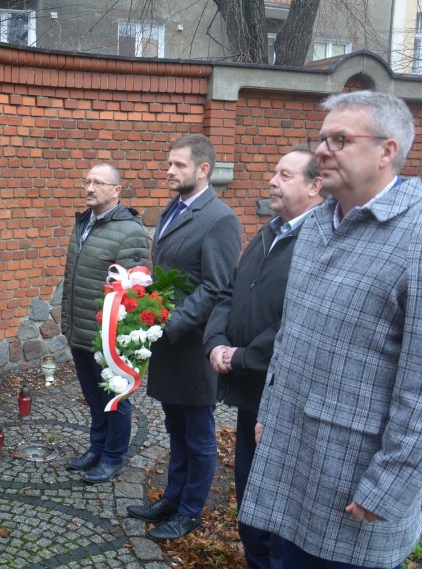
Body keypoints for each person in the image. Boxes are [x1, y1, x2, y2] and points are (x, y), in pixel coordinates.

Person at [240, 91, 422, 568]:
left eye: (340, 139)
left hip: (353, 486)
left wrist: (390, 485)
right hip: (290, 458)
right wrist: (270, 410)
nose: (322, 150)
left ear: (387, 151)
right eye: (322, 138)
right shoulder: (318, 224)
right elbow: (292, 333)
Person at [203, 147, 324, 568]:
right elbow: (231, 292)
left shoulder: (319, 242)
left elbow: (298, 319)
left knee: (275, 504)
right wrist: (216, 342)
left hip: (282, 394)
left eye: (284, 175)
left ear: (315, 187)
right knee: (249, 493)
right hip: (248, 392)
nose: (272, 181)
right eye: (274, 173)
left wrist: (241, 357)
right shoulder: (269, 231)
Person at [127, 134, 241, 540]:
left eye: (178, 165)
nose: (169, 171)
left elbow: (216, 287)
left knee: (198, 434)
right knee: (174, 427)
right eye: (169, 164)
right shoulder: (173, 208)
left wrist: (167, 326)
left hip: (193, 345)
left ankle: (191, 509)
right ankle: (171, 498)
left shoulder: (221, 219)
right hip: (168, 343)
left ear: (203, 169)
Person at [60, 163, 149, 484]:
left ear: (116, 190)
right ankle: (96, 448)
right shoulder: (84, 222)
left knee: (114, 399)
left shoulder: (130, 231)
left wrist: (120, 338)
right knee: (93, 397)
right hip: (80, 329)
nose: (89, 188)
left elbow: (134, 289)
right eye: (87, 181)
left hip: (107, 337)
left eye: (98, 182)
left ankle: (114, 457)